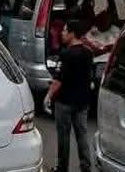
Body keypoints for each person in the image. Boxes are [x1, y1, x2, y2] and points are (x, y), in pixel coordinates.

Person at [45, 19, 95, 172]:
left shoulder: (66, 54)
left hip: (65, 101)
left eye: (65, 30)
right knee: (82, 134)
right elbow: (89, 77)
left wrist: (48, 96)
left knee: (64, 136)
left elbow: (59, 80)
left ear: (72, 33)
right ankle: (86, 166)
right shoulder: (88, 53)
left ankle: (62, 167)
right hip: (82, 102)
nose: (62, 33)